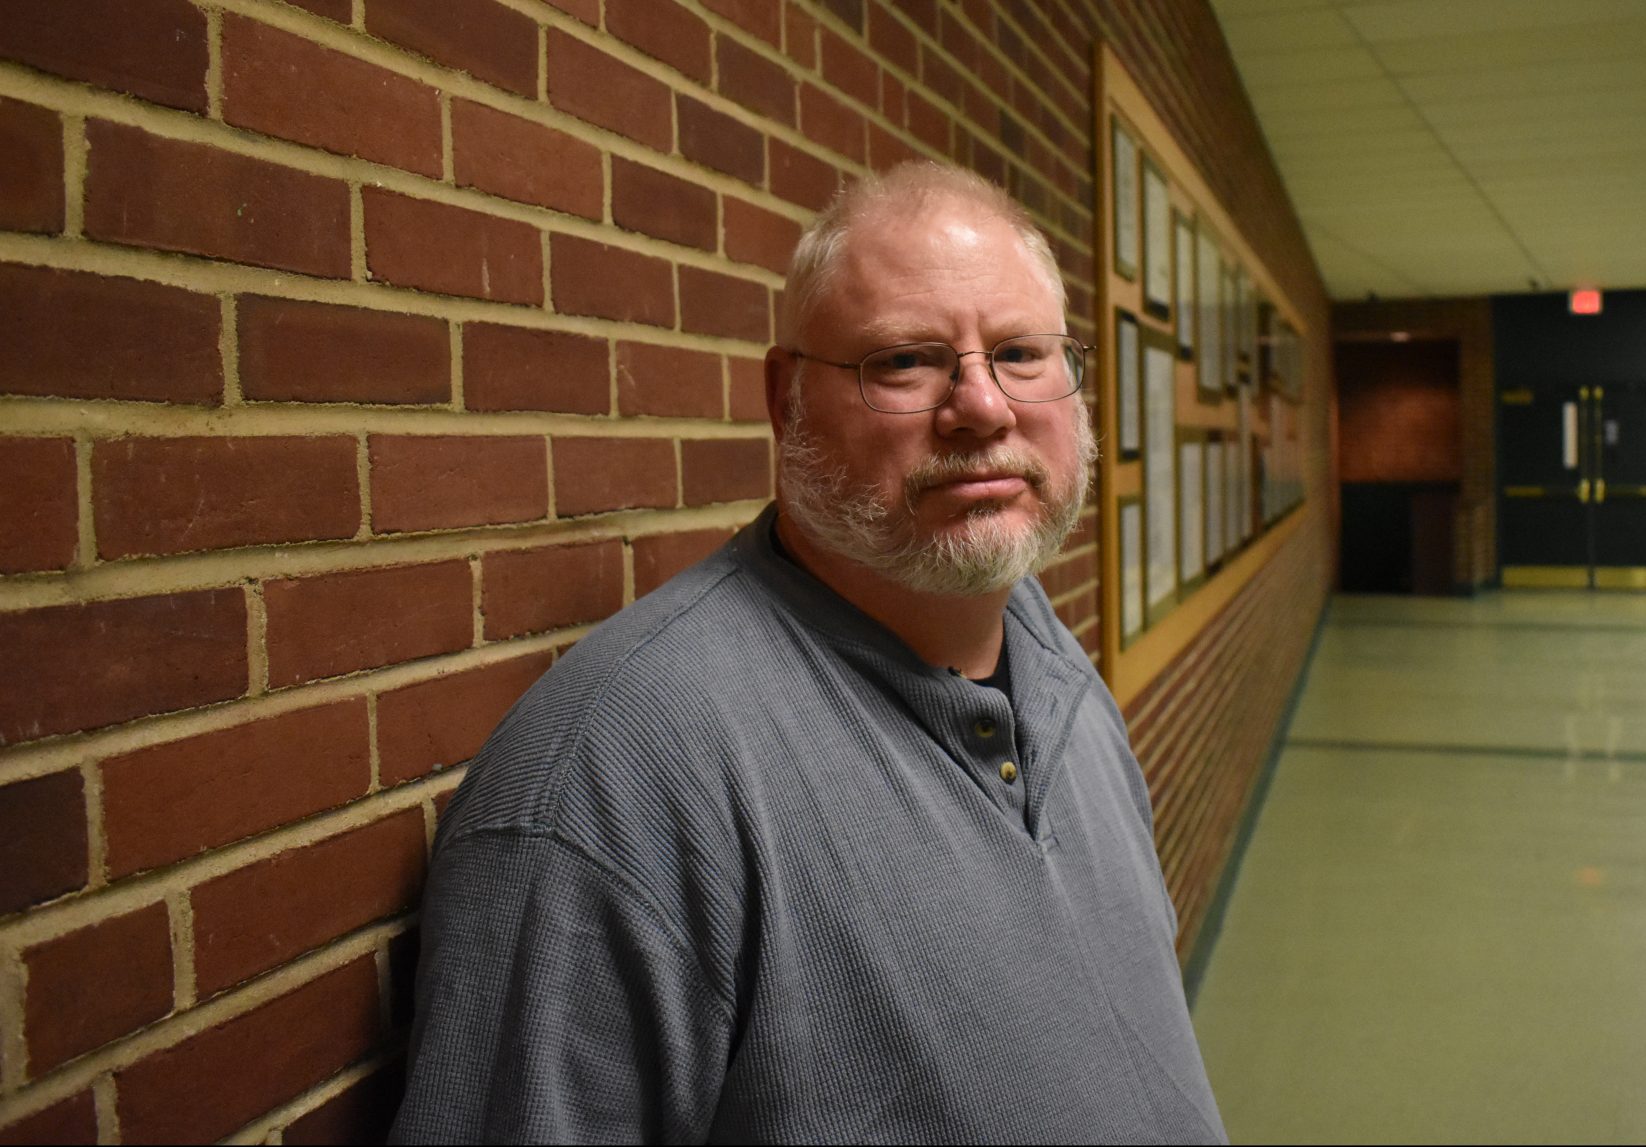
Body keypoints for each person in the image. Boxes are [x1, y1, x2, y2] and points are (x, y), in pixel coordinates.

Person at [390, 161, 1227, 1144]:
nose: (983, 407)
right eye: (907, 361)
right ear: (786, 397)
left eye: (1020, 352)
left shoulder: (1045, 654)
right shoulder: (617, 776)